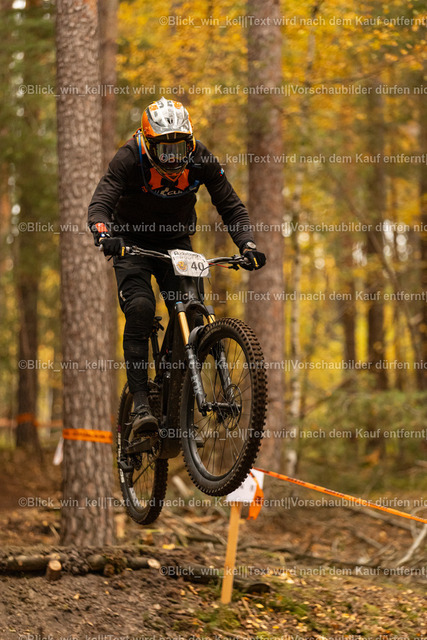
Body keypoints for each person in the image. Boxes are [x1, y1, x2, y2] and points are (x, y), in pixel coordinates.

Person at [88, 97, 266, 434]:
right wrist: (104, 233)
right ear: (148, 143)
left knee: (191, 314)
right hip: (131, 243)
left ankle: (177, 401)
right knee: (140, 308)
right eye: (165, 151)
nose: (173, 159)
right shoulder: (129, 157)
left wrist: (247, 244)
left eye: (180, 149)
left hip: (176, 242)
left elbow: (231, 206)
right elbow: (100, 204)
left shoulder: (201, 158)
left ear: (190, 142)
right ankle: (141, 404)